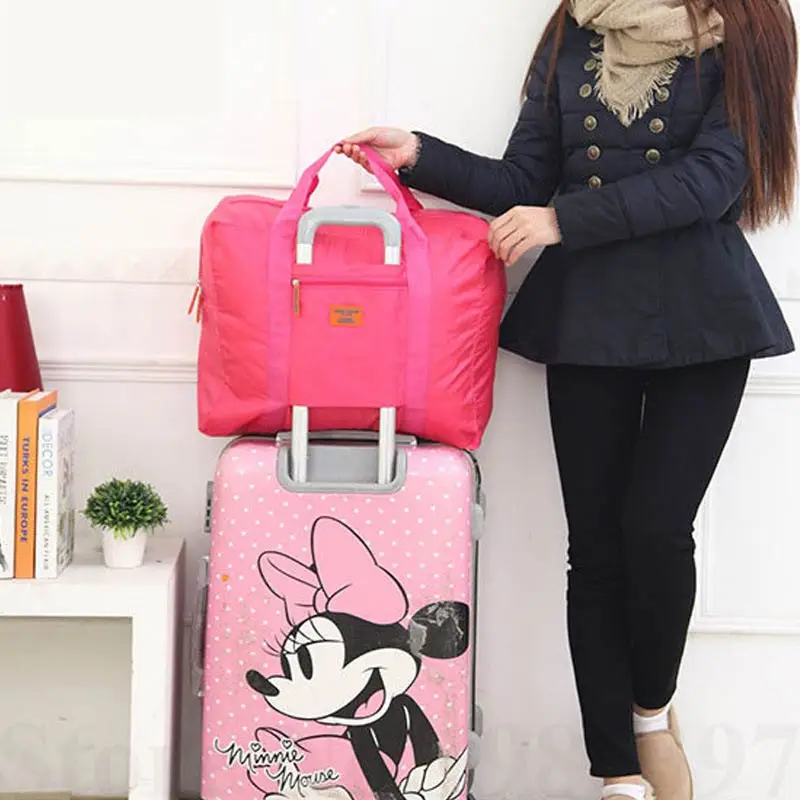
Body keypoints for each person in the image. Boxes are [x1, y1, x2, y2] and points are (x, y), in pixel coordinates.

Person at [336, 1, 798, 799]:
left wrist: (565, 220)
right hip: (588, 317)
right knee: (595, 549)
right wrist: (420, 155)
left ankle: (650, 712)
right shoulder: (574, 25)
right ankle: (616, 772)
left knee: (657, 530)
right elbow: (524, 178)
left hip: (703, 313)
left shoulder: (749, 23)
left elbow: (714, 179)